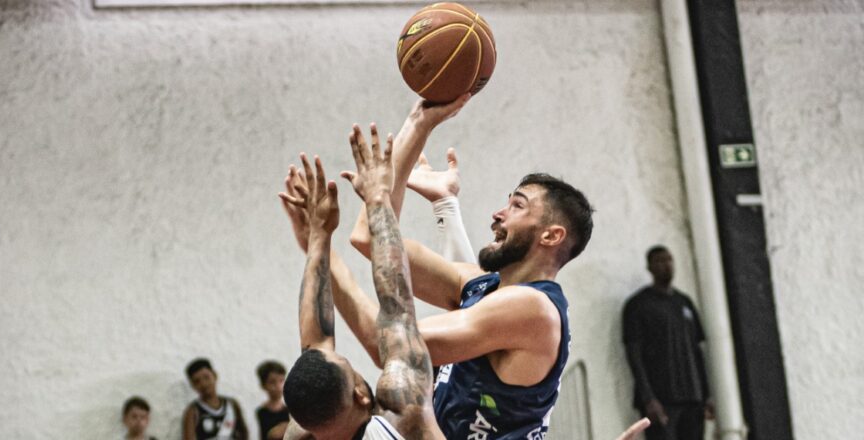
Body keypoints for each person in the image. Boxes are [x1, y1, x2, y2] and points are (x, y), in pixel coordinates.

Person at [279, 102, 648, 439]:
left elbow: (389, 346)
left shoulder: (533, 311)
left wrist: (376, 198)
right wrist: (420, 122)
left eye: (517, 206)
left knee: (390, 392)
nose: (498, 213)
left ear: (552, 235)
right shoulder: (483, 288)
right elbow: (368, 238)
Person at [276, 129, 443, 439]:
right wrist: (378, 197)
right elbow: (397, 310)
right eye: (352, 370)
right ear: (360, 395)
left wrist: (318, 237)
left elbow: (315, 344)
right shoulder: (405, 418)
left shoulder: (301, 430)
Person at [622, 245, 714, 440]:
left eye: (669, 260)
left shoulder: (684, 302)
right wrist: (649, 399)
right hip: (662, 401)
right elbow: (634, 355)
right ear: (650, 267)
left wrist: (707, 395)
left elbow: (698, 351)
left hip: (693, 398)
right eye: (660, 261)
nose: (666, 265)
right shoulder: (638, 305)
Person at [182, 358, 249, 440]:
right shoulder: (193, 411)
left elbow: (244, 433)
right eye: (197, 381)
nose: (203, 384)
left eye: (206, 377)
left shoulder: (232, 405)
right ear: (193, 386)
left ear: (215, 376)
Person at [255, 361, 289, 440]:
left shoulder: (291, 412)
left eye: (281, 381)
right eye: (272, 382)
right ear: (263, 385)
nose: (278, 386)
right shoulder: (260, 413)